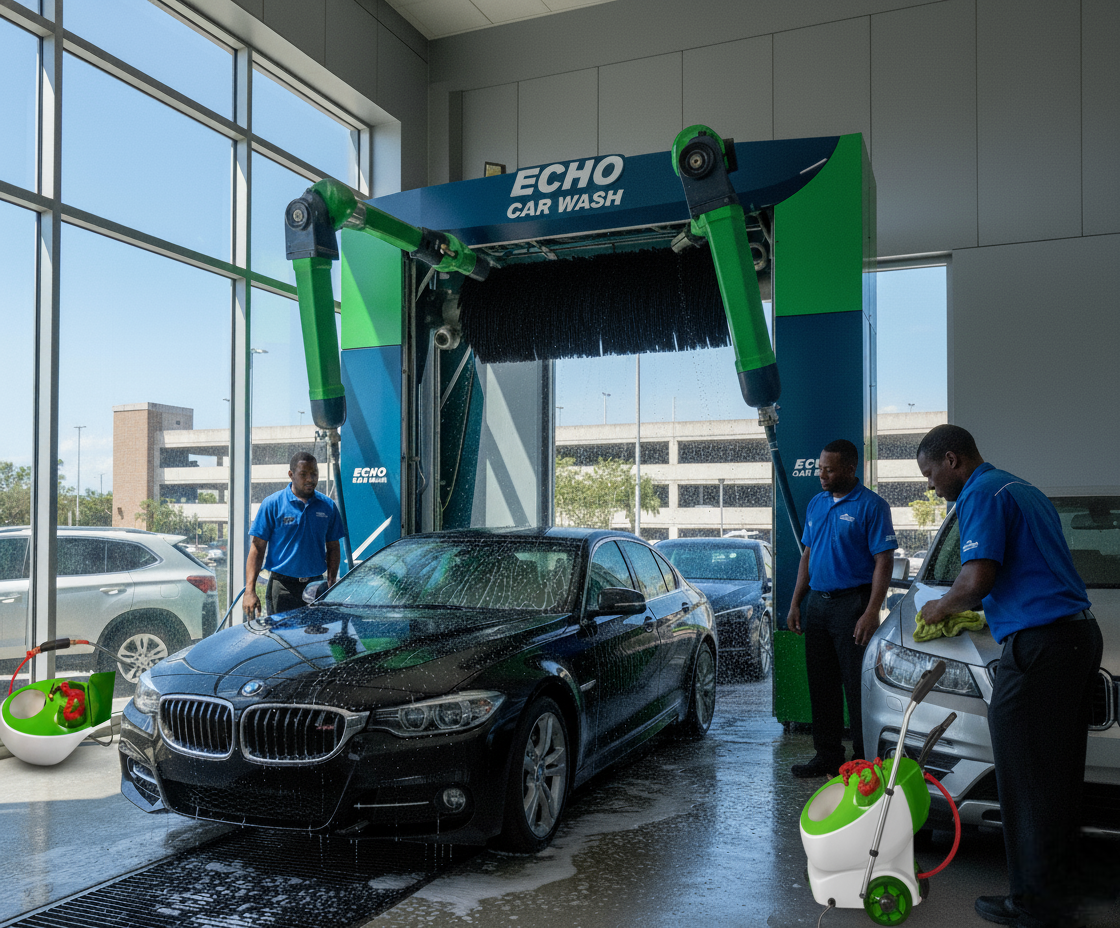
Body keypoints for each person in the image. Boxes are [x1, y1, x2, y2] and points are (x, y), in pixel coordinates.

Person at [915, 424, 1100, 928]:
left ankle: (1034, 908)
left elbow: (976, 579)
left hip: (1040, 648)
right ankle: (1057, 896)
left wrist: (940, 607)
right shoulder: (1022, 488)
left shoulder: (980, 495)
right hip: (1076, 638)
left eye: (930, 474)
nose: (931, 486)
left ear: (952, 460)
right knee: (1056, 780)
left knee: (1026, 779)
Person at [787, 438, 896, 778]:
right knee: (822, 684)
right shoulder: (817, 504)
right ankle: (827, 755)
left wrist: (872, 610)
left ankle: (863, 760)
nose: (822, 475)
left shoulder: (872, 506)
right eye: (820, 468)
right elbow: (807, 555)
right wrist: (796, 603)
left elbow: (884, 561)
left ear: (850, 468)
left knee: (855, 685)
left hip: (854, 605)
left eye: (829, 470)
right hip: (818, 604)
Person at [243, 451, 345, 617]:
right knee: (282, 640)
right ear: (291, 475)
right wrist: (249, 590)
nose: (310, 479)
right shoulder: (272, 504)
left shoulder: (328, 507)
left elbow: (333, 547)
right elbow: (257, 548)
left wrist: (331, 582)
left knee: (314, 641)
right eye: (303, 474)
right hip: (282, 587)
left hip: (315, 586)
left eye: (314, 474)